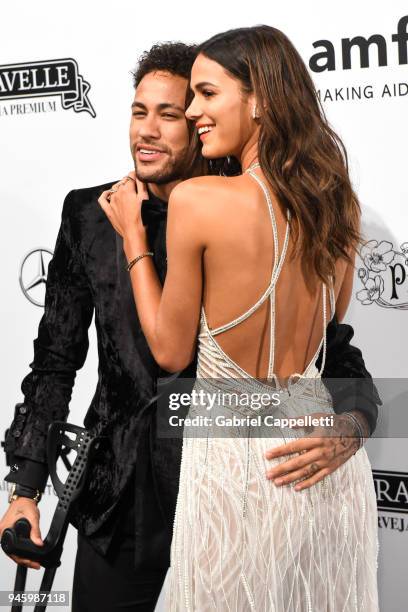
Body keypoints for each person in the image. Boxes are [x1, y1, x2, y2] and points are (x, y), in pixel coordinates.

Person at [1, 41, 379, 612]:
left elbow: (331, 351)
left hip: (226, 496)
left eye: (172, 113)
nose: (146, 132)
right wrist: (25, 488)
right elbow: (55, 358)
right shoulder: (87, 214)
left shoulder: (248, 207)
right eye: (138, 111)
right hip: (119, 506)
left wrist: (352, 423)